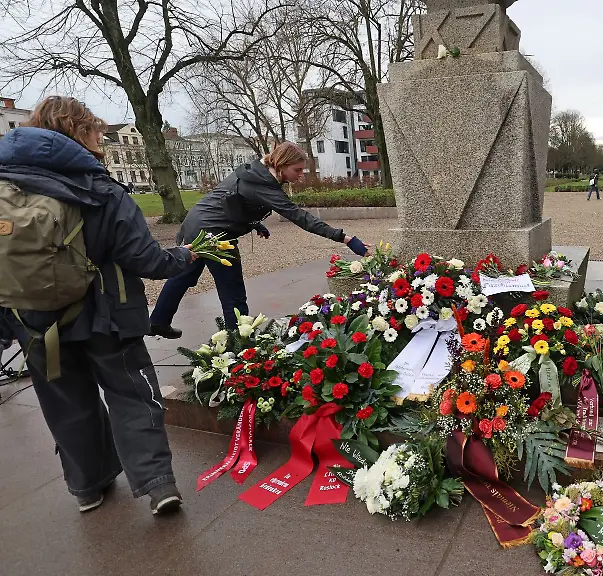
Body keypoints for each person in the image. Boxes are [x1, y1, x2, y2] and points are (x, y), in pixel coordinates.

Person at [0, 96, 194, 515]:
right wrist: (185, 257)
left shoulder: (5, 188)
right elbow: (145, 259)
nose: (102, 139)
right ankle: (158, 485)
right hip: (107, 316)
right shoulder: (100, 188)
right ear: (80, 131)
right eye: (97, 131)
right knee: (132, 395)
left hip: (33, 322)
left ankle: (87, 487)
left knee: (66, 404)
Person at [149, 142, 368, 337]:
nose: (301, 175)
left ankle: (158, 321)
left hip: (197, 224)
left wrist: (254, 223)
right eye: (297, 169)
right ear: (281, 165)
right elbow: (300, 216)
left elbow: (233, 201)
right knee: (232, 289)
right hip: (214, 233)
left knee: (183, 276)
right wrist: (345, 238)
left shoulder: (255, 173)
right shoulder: (263, 182)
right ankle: (239, 342)